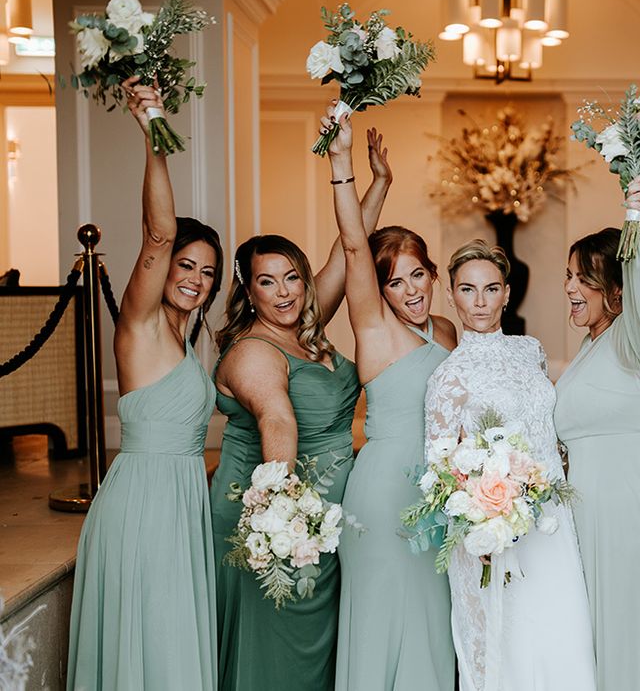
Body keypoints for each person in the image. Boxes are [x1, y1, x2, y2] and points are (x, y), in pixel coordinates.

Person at [209, 129, 392, 691]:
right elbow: (278, 420)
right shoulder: (253, 351)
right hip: (276, 503)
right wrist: (282, 513)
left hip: (326, 507)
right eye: (268, 282)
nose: (285, 292)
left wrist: (377, 182)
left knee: (317, 643)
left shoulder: (306, 329)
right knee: (280, 645)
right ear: (249, 292)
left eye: (292, 276)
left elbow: (348, 250)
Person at [67, 78, 224, 691]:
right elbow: (157, 232)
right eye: (186, 265)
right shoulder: (139, 320)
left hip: (184, 499)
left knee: (171, 639)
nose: (195, 279)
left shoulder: (195, 338)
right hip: (141, 504)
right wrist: (155, 132)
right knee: (147, 637)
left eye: (207, 273)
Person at [323, 107, 457, 691]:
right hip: (382, 492)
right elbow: (355, 247)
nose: (411, 290)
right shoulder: (375, 328)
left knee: (431, 618)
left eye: (418, 274)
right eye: (395, 281)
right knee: (382, 616)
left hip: (438, 494)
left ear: (433, 273)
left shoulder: (449, 332)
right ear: (378, 290)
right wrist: (342, 163)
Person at [424, 239, 596, 691]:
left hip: (554, 512)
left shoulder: (530, 350)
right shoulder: (449, 377)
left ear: (507, 292)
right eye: (467, 289)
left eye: (490, 288)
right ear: (451, 294)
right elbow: (439, 472)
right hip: (499, 525)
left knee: (565, 628)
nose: (479, 301)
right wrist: (480, 523)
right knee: (514, 638)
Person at [553, 176, 640, 691]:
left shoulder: (636, 338)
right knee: (603, 643)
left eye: (583, 278)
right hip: (594, 519)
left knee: (630, 636)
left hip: (634, 515)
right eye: (568, 276)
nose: (569, 288)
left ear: (616, 289)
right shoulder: (593, 346)